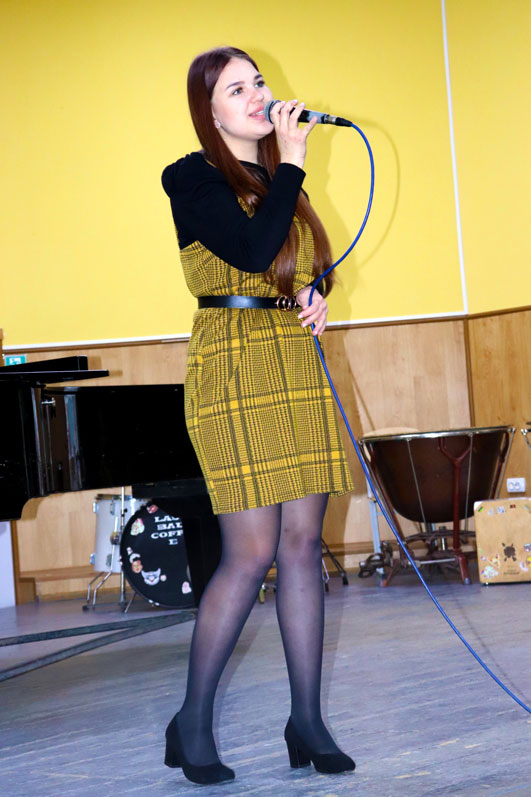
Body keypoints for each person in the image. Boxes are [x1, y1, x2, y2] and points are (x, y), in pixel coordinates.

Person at [161, 46, 355, 786]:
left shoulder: (280, 179)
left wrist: (317, 291)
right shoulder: (191, 177)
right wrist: (295, 162)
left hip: (292, 360)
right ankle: (193, 721)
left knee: (302, 544)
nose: (256, 96)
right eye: (235, 88)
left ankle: (306, 719)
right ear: (209, 112)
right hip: (233, 365)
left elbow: (300, 259)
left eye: (259, 82)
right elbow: (247, 250)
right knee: (250, 552)